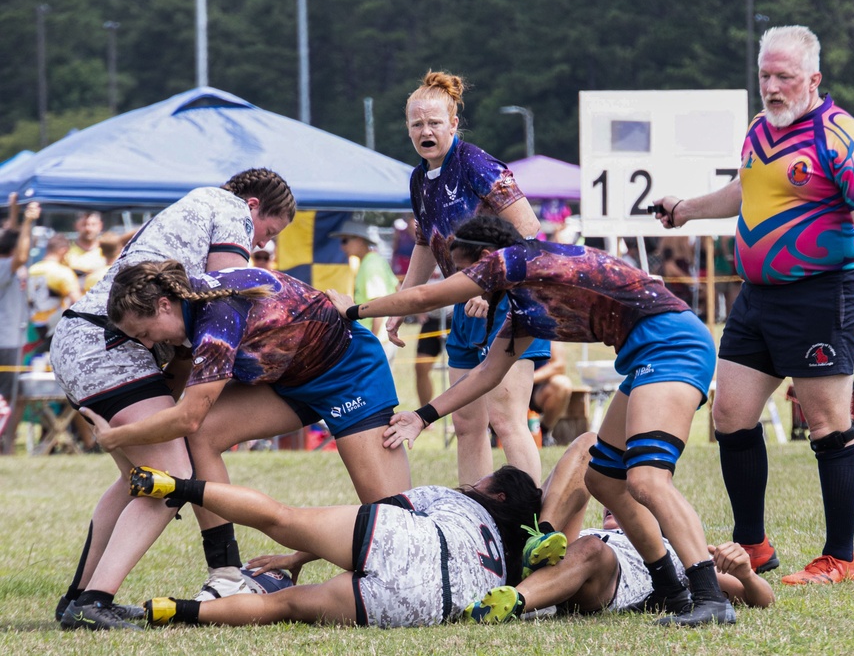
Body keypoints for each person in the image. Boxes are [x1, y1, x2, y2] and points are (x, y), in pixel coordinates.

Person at [328, 214, 734, 627]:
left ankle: (710, 597)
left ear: (486, 258)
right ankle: (670, 589)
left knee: (647, 480)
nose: (467, 279)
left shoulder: (518, 261)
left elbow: (422, 299)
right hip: (649, 353)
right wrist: (423, 415)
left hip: (672, 344)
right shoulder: (523, 304)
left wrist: (355, 310)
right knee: (603, 480)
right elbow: (487, 373)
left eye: (468, 269)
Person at [652, 25, 854, 585]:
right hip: (757, 297)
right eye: (765, 76)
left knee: (827, 424)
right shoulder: (759, 130)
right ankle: (753, 545)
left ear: (813, 79)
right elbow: (743, 189)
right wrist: (685, 209)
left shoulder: (841, 135)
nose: (773, 87)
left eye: (785, 77)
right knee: (730, 415)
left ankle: (840, 558)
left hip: (822, 294)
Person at [67, 259, 412, 630]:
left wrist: (117, 436)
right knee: (200, 437)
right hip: (289, 378)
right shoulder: (190, 303)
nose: (149, 343)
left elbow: (188, 415)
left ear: (164, 305)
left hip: (350, 373)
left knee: (396, 530)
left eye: (146, 332)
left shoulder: (216, 318)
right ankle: (226, 574)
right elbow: (182, 391)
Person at [50, 168, 297, 629]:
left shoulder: (190, 210)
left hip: (87, 339)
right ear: (254, 207)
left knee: (138, 480)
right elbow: (231, 288)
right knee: (172, 476)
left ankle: (79, 599)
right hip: (109, 345)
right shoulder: (228, 208)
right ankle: (95, 603)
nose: (262, 243)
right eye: (269, 231)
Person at [125, 464, 539, 630]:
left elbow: (377, 514)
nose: (477, 481)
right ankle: (171, 610)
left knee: (281, 518)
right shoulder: (505, 570)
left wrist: (296, 553)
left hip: (407, 540)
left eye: (487, 480)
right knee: (280, 607)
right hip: (419, 603)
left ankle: (175, 486)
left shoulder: (459, 500)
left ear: (498, 496)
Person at [385, 70, 549, 487]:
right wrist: (404, 306)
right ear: (407, 128)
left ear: (453, 124)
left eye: (434, 122)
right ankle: (474, 519)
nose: (425, 130)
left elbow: (529, 231)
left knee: (507, 420)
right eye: (417, 124)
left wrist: (492, 287)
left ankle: (532, 524)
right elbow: (425, 244)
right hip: (467, 303)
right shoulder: (420, 178)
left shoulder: (475, 163)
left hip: (513, 300)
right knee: (466, 422)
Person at [464, 433, 775, 622]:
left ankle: (511, 602)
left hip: (608, 579)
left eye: (633, 497)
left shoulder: (678, 553)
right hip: (558, 558)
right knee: (591, 446)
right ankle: (540, 534)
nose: (617, 500)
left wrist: (745, 574)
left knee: (591, 549)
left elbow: (763, 600)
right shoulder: (580, 536)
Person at [0, 195, 40, 454]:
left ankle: (7, 443)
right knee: (7, 396)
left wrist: (15, 212)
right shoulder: (5, 266)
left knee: (11, 395)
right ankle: (7, 445)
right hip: (5, 342)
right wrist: (27, 221)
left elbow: (10, 240)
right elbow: (21, 253)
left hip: (10, 340)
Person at [331, 220, 400, 361]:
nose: (342, 247)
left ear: (360, 240)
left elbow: (379, 305)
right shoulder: (375, 260)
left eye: (345, 241)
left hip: (377, 340)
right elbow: (397, 288)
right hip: (382, 338)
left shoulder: (370, 265)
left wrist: (372, 341)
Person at [27, 233, 82, 346]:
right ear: (63, 250)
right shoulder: (63, 272)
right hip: (53, 329)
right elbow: (79, 303)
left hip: (31, 326)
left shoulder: (32, 270)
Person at [531, 341, 574, 446]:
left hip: (536, 386)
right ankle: (494, 433)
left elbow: (559, 365)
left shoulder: (547, 326)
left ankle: (545, 432)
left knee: (562, 384)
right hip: (503, 384)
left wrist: (528, 379)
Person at [65, 211, 106, 280]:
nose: (88, 229)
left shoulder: (107, 251)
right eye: (84, 225)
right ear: (76, 226)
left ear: (100, 226)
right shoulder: (66, 251)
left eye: (93, 225)